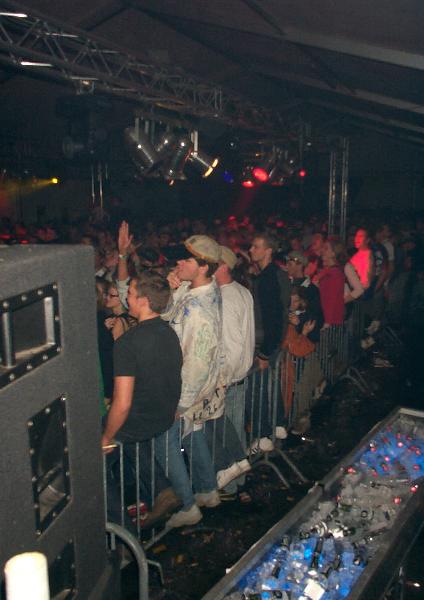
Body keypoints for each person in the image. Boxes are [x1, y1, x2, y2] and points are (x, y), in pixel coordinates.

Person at [102, 271, 183, 530]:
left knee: (92, 466)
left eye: (130, 293)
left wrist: (106, 438)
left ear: (144, 300)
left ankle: (125, 534)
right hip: (162, 417)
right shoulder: (169, 333)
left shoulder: (127, 343)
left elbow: (122, 403)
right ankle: (162, 490)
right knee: (132, 441)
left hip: (137, 419)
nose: (126, 297)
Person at [157, 234, 225, 527]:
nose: (178, 263)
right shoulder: (196, 289)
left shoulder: (200, 309)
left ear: (203, 267)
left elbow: (197, 362)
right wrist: (172, 289)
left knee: (164, 442)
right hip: (190, 385)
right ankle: (207, 490)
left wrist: (181, 403)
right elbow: (168, 316)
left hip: (185, 386)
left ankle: (187, 506)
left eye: (185, 260)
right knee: (192, 433)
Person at [211, 245, 255, 495]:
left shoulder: (227, 298)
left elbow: (232, 344)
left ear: (223, 266)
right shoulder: (241, 290)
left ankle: (232, 488)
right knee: (235, 430)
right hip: (238, 375)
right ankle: (238, 485)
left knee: (231, 434)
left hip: (230, 378)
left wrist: (223, 378)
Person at [247, 232, 290, 449]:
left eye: (256, 246)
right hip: (274, 340)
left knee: (258, 388)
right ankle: (278, 424)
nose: (251, 250)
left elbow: (272, 316)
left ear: (268, 251)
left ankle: (263, 435)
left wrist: (264, 351)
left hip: (267, 342)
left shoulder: (267, 279)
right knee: (270, 383)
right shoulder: (275, 274)